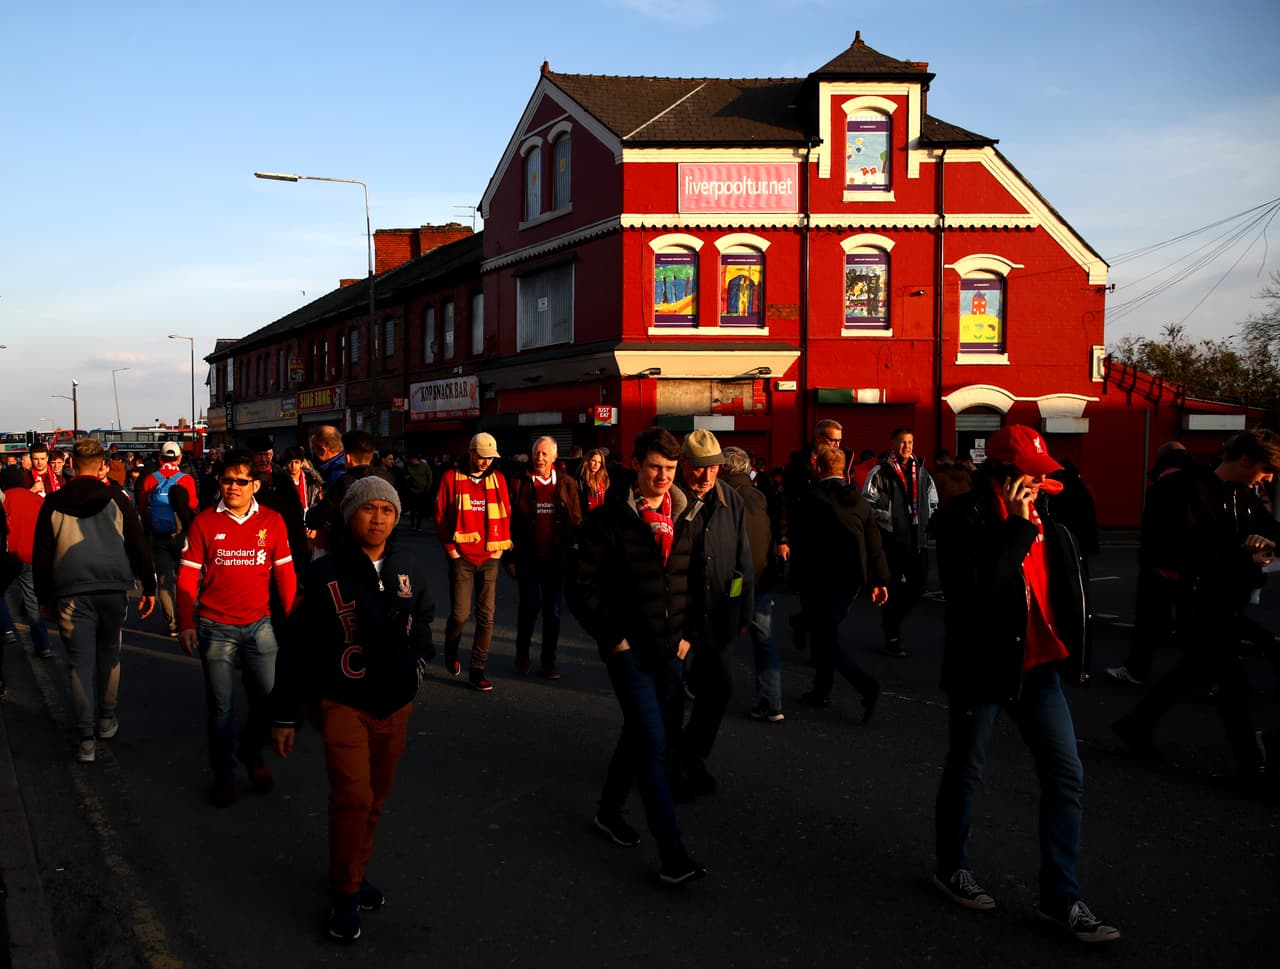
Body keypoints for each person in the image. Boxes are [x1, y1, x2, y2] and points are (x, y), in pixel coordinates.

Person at [930, 425, 1118, 944]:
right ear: (1003, 475)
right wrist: (1013, 528)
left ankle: (1061, 898)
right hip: (984, 666)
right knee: (967, 770)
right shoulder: (962, 518)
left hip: (1039, 668)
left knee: (1066, 775)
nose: (1040, 484)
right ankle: (951, 867)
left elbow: (1067, 585)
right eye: (1031, 476)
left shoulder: (1047, 516)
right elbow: (974, 593)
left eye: (1043, 476)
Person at [271, 476, 434, 944]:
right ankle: (344, 892)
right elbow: (297, 648)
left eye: (387, 509)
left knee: (374, 803)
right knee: (353, 798)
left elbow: (423, 617)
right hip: (343, 701)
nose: (378, 517)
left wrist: (418, 660)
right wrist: (285, 714)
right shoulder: (325, 575)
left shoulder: (408, 566)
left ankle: (354, 873)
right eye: (368, 508)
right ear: (350, 515)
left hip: (395, 703)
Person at [570, 426, 706, 885]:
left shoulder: (687, 515)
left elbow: (697, 581)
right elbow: (580, 588)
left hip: (671, 651)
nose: (664, 477)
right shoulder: (609, 520)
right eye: (655, 467)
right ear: (636, 464)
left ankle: (609, 811)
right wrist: (614, 638)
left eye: (670, 469)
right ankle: (673, 855)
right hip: (628, 652)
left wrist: (689, 634)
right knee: (651, 744)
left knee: (637, 734)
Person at [1112, 429, 1280, 795]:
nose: (1268, 478)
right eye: (1266, 469)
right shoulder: (1187, 490)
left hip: (1227, 599)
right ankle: (1250, 768)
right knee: (1232, 682)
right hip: (1199, 602)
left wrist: (1264, 546)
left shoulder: (1244, 498)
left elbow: (1269, 532)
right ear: (1246, 460)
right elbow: (1179, 550)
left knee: (1195, 671)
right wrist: (1244, 554)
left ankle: (1136, 725)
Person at [177, 448, 298, 807]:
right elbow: (187, 576)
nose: (232, 487)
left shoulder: (273, 522)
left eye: (241, 481)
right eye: (227, 480)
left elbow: (285, 575)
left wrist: (292, 622)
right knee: (222, 708)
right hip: (215, 628)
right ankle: (224, 775)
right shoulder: (204, 523)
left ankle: (250, 752)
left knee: (271, 700)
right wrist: (186, 622)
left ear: (255, 486)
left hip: (259, 626)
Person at [32, 437, 158, 763]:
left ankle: (85, 738)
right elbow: (137, 543)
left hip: (71, 590)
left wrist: (43, 596)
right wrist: (149, 585)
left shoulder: (54, 502)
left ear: (72, 464)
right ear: (102, 465)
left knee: (79, 663)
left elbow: (42, 556)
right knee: (109, 654)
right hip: (112, 587)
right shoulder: (117, 497)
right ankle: (106, 718)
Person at [673, 429, 752, 797]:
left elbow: (742, 560)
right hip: (674, 616)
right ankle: (668, 768)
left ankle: (692, 756)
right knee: (669, 696)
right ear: (684, 465)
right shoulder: (669, 499)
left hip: (717, 614)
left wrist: (742, 610)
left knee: (718, 690)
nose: (705, 476)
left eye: (712, 468)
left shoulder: (731, 500)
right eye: (698, 468)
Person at [793, 446, 889, 719]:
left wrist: (796, 579)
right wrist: (881, 580)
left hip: (822, 579)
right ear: (844, 469)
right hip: (851, 580)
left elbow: (804, 545)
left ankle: (866, 687)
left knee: (826, 640)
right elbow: (874, 541)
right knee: (826, 633)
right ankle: (821, 690)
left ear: (819, 468)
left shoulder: (813, 499)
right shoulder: (858, 501)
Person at [1105, 442, 1198, 686]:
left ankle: (1137, 670)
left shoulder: (1163, 485)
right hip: (1193, 565)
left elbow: (1154, 527)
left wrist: (1149, 557)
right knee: (1191, 624)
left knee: (1147, 623)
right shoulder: (1201, 480)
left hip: (1161, 564)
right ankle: (1203, 675)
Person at [434, 432, 513, 692]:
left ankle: (477, 669)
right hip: (461, 558)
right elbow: (441, 516)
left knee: (486, 617)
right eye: (482, 456)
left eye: (490, 458)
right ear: (471, 452)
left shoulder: (498, 479)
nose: (486, 462)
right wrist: (452, 551)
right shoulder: (450, 478)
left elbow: (506, 513)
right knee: (459, 614)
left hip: (490, 555)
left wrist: (499, 552)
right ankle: (451, 648)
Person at [505, 436, 582, 678]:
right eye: (537, 452)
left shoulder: (567, 483)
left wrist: (573, 554)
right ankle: (522, 655)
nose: (540, 458)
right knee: (529, 609)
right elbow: (508, 521)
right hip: (527, 558)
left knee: (554, 613)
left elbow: (576, 520)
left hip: (555, 561)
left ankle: (549, 661)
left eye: (545, 454)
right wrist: (510, 557)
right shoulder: (519, 482)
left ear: (554, 457)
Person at [722, 447, 787, 722]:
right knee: (764, 639)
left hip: (735, 580)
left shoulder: (724, 496)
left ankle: (711, 689)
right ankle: (772, 702)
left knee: (722, 634)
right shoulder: (760, 495)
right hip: (762, 578)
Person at [863, 428, 938, 656]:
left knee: (919, 585)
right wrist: (883, 517)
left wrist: (931, 522)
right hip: (891, 540)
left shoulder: (922, 472)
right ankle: (892, 635)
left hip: (917, 538)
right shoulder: (880, 471)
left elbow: (932, 498)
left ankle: (892, 620)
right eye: (902, 442)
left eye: (910, 442)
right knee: (891, 587)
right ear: (892, 444)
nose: (907, 447)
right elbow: (868, 501)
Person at [136, 441, 195, 637]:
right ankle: (188, 618)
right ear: (179, 458)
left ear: (160, 459)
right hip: (180, 534)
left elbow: (143, 508)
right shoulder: (186, 479)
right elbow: (193, 505)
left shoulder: (150, 479)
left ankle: (172, 624)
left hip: (158, 535)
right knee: (186, 577)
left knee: (164, 579)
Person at [0, 466, 55, 658]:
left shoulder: (4, 500)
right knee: (33, 602)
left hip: (9, 556)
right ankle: (43, 645)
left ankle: (7, 630)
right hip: (34, 556)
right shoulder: (38, 500)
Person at [310, 425, 348, 490]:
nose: (313, 452)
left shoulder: (335, 476)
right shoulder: (348, 463)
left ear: (323, 450)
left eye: (313, 448)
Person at [577, 448, 611, 515]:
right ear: (587, 461)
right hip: (586, 518)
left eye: (599, 462)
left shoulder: (604, 479)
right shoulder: (580, 480)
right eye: (593, 460)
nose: (596, 464)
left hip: (602, 518)